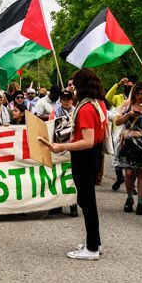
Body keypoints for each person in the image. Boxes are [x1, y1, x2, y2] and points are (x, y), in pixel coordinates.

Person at [50, 69, 107, 260]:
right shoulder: (98, 103)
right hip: (93, 155)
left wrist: (62, 146)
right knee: (87, 200)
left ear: (81, 86)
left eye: (73, 85)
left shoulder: (85, 108)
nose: (70, 88)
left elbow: (88, 141)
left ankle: (91, 248)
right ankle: (94, 242)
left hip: (85, 156)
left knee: (87, 202)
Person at [114, 82, 142, 215]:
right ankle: (129, 198)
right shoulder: (126, 105)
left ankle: (140, 203)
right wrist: (128, 115)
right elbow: (117, 121)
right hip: (127, 143)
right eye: (139, 93)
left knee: (141, 172)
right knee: (128, 173)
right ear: (134, 93)